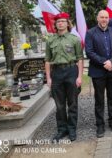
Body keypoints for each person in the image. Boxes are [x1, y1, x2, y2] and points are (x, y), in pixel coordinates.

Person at [45, 12, 84, 142]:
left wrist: (79, 76)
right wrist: (49, 78)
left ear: (67, 23)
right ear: (55, 24)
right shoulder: (50, 40)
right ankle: (62, 129)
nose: (60, 23)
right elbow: (47, 60)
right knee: (59, 105)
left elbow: (79, 59)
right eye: (58, 22)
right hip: (56, 73)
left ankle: (72, 129)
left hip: (71, 71)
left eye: (63, 21)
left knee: (72, 103)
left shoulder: (74, 39)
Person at [85, 10, 112, 137]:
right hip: (98, 71)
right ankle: (100, 125)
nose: (104, 19)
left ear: (109, 19)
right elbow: (89, 52)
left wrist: (111, 62)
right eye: (101, 17)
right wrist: (104, 62)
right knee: (99, 100)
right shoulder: (90, 33)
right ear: (97, 18)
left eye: (106, 17)